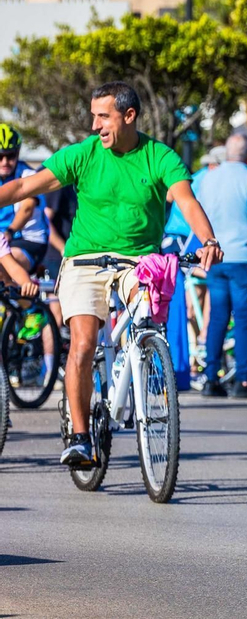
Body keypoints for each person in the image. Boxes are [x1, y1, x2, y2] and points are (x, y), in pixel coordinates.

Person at [0, 82, 224, 467]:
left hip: (138, 261)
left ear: (129, 115)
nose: (95, 125)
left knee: (146, 316)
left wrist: (208, 240)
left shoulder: (159, 156)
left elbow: (187, 201)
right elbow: (23, 186)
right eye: (94, 117)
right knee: (84, 343)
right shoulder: (84, 154)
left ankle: (141, 358)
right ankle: (80, 437)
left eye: (103, 117)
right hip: (84, 261)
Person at [194, 132, 247, 397]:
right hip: (244, 259)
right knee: (243, 321)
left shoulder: (208, 178)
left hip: (215, 256)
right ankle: (244, 381)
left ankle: (210, 379)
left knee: (217, 318)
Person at [0, 123, 51, 271]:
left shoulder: (28, 175)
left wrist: (9, 232)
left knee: (4, 264)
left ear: (17, 153)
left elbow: (27, 208)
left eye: (10, 156)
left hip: (27, 240)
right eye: (0, 156)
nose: (5, 162)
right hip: (2, 240)